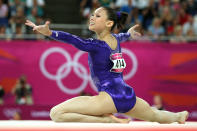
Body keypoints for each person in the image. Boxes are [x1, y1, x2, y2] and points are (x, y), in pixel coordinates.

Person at [25, 6, 188, 124]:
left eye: (97, 16)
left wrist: (50, 33)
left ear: (109, 23)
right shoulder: (116, 40)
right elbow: (122, 36)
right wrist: (129, 34)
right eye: (92, 15)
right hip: (128, 95)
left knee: (56, 114)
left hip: (108, 98)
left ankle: (107, 121)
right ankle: (178, 116)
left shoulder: (96, 45)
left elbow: (73, 39)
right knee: (154, 115)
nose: (92, 17)